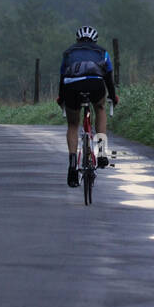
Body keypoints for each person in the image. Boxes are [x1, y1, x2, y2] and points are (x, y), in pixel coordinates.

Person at [55, 26, 118, 187]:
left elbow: (63, 78)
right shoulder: (102, 52)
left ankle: (72, 165)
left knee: (73, 124)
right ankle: (102, 151)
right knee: (100, 109)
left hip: (72, 87)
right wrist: (113, 96)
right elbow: (109, 78)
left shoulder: (68, 53)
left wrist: (61, 98)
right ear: (94, 40)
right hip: (95, 85)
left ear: (78, 40)